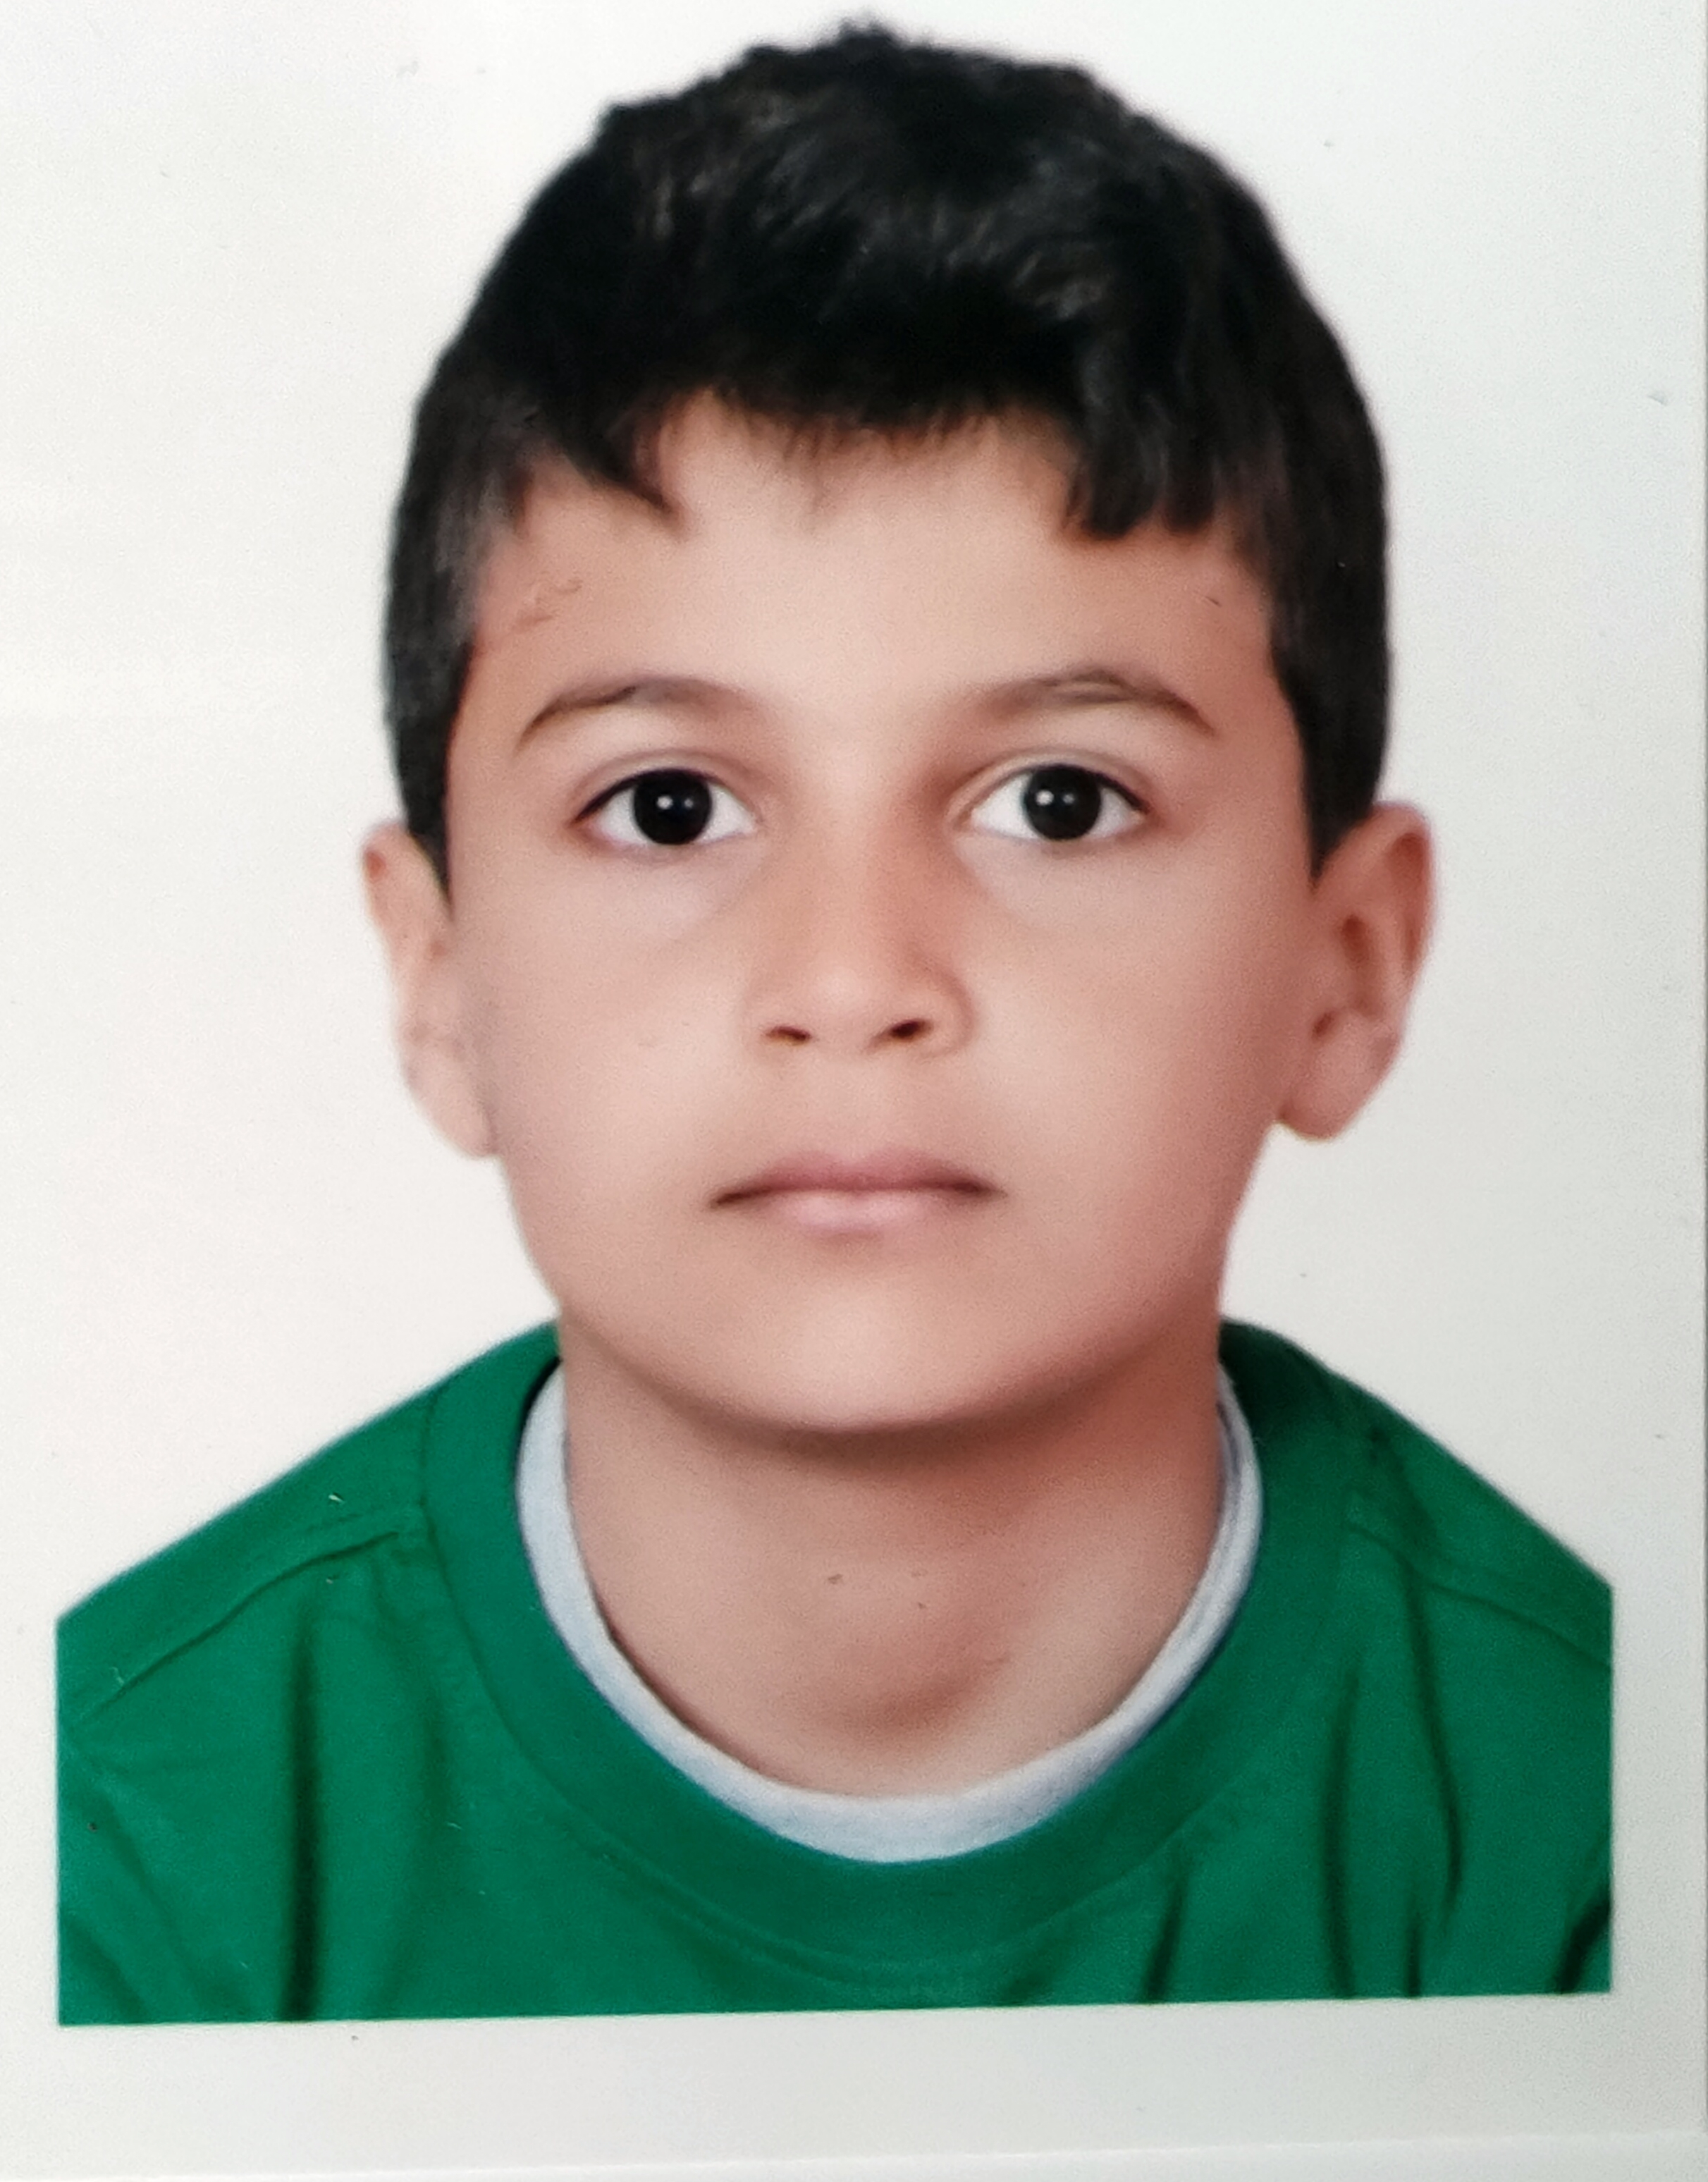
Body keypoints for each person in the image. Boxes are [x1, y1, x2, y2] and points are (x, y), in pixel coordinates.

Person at [57, 23, 1609, 2023]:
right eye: (668, 808)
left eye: (1060, 802)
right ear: (436, 976)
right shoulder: (116, 1859)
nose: (857, 980)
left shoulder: (1597, 1838)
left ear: (1353, 963)